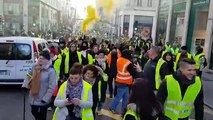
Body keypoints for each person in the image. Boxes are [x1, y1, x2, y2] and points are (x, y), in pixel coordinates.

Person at [22, 50, 57, 120]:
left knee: (42, 116)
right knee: (33, 111)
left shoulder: (51, 71)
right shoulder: (34, 66)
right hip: (33, 96)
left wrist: (46, 98)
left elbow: (52, 86)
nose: (40, 59)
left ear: (47, 60)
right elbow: (28, 75)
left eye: (43, 58)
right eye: (40, 57)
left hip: (43, 98)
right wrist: (25, 85)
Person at [109, 49, 138, 115]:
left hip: (119, 80)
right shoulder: (128, 63)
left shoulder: (119, 59)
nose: (131, 55)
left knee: (125, 97)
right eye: (130, 54)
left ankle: (123, 111)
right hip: (124, 82)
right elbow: (133, 73)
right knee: (120, 96)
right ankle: (112, 107)